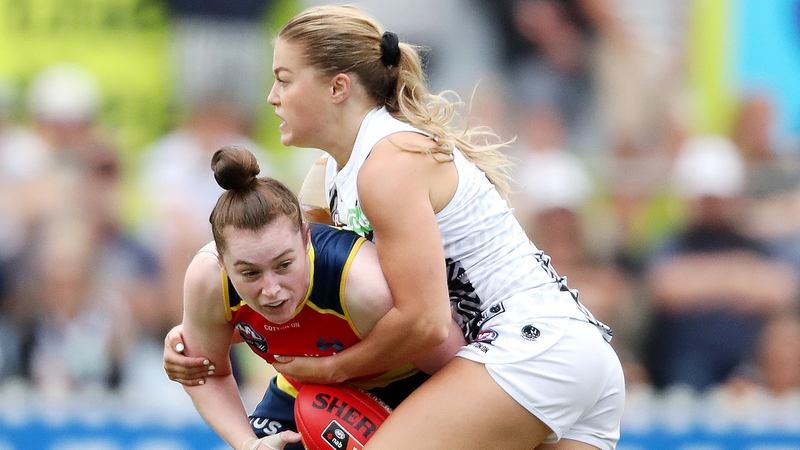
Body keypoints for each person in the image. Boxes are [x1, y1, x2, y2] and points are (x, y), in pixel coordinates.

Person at [169, 5, 625, 449]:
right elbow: (310, 294)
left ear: (338, 87)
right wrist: (204, 336)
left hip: (530, 351)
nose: (272, 96)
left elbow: (425, 323)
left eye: (284, 79)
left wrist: (330, 371)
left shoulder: (387, 164)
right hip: (565, 353)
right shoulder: (332, 171)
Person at [169, 145, 465, 450]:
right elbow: (207, 373)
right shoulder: (207, 281)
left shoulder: (362, 285)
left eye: (284, 265)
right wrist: (248, 445)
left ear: (306, 239)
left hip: (407, 388)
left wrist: (335, 369)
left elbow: (459, 370)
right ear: (221, 261)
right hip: (304, 392)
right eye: (250, 273)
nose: (271, 289)